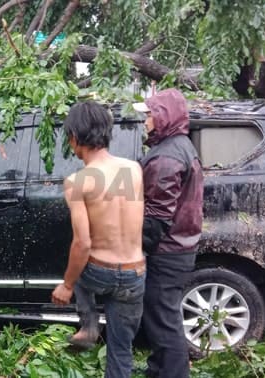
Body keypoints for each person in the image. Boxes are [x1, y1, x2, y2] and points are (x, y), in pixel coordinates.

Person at [51, 101, 146, 378]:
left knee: (77, 268)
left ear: (75, 137)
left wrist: (66, 286)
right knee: (121, 348)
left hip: (99, 273)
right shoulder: (133, 170)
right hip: (134, 272)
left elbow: (83, 243)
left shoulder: (78, 182)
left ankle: (89, 322)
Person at [133, 88, 204, 378]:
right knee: (161, 315)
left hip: (167, 251)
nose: (146, 120)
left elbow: (157, 216)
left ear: (164, 116)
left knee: (164, 321)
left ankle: (173, 373)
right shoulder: (180, 146)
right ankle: (159, 370)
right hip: (179, 247)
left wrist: (137, 249)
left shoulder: (166, 157)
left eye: (150, 114)